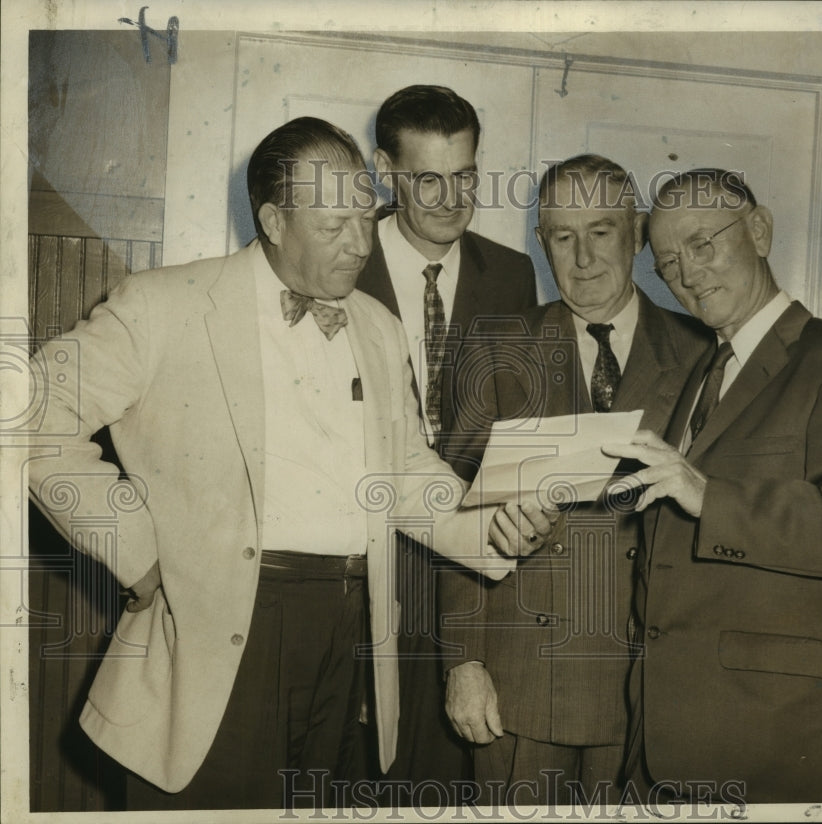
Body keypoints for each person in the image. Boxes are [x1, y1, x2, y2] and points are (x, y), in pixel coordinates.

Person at [27, 116, 550, 811]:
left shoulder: (376, 325)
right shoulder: (160, 305)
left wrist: (493, 528)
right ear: (274, 221)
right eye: (334, 225)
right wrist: (139, 554)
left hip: (350, 627)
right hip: (222, 628)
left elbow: (402, 476)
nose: (360, 244)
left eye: (366, 219)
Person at [605, 168, 822, 804]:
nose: (687, 275)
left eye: (702, 244)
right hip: (660, 745)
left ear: (760, 231)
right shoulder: (698, 373)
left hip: (773, 740)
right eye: (666, 262)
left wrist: (709, 495)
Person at [437, 155, 710, 805]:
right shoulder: (495, 346)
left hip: (647, 685)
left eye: (602, 231)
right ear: (541, 243)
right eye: (562, 236)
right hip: (520, 683)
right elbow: (453, 514)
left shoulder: (702, 351)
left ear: (637, 233)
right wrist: (461, 661)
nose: (583, 257)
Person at [355, 85, 537, 797]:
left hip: (463, 574)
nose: (450, 199)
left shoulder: (513, 274)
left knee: (439, 779)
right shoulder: (341, 254)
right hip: (354, 560)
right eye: (427, 178)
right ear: (383, 168)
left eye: (465, 177)